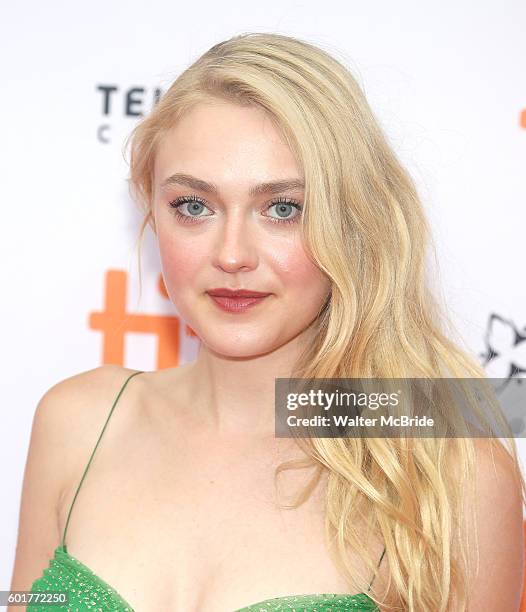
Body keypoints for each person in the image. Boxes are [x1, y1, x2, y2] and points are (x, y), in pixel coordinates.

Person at [10, 32, 525, 612]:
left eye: (283, 208)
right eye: (194, 206)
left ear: (353, 223)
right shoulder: (77, 422)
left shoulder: (445, 476)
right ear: (152, 211)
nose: (232, 254)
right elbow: (27, 600)